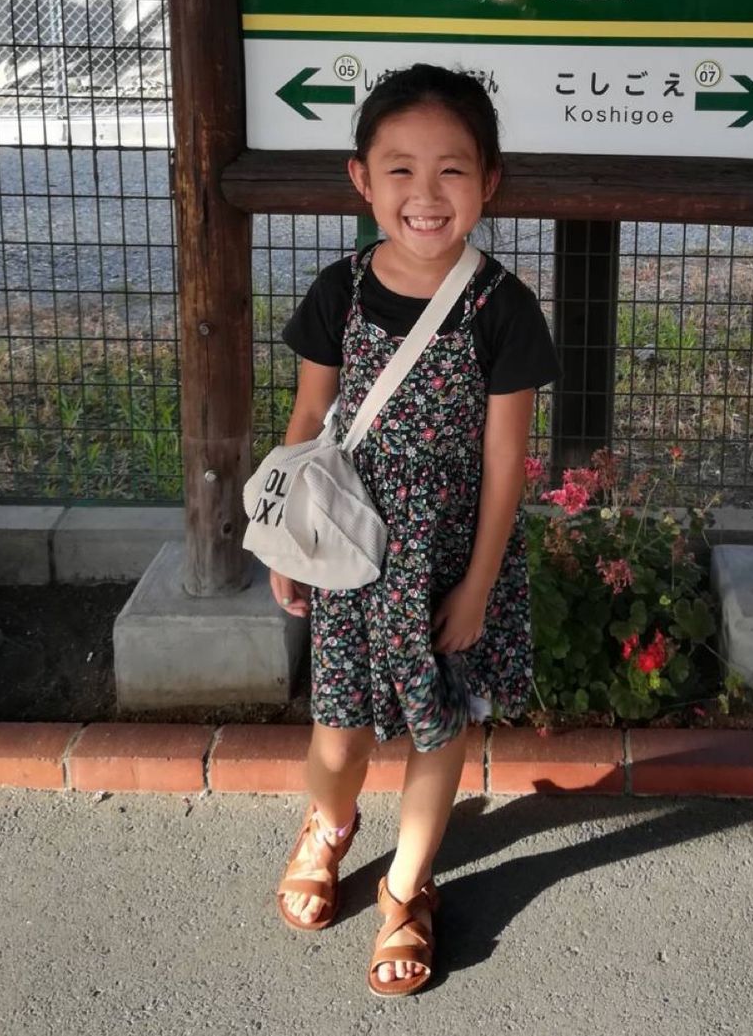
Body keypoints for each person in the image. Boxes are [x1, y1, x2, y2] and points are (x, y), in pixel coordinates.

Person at [270, 63, 558, 998]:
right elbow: (309, 420)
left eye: (451, 172)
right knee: (339, 733)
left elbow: (508, 459)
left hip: (448, 556)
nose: (425, 196)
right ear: (360, 178)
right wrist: (287, 538)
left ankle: (406, 890)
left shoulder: (502, 306)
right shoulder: (337, 291)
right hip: (350, 550)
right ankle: (329, 823)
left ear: (489, 180)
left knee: (442, 727)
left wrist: (476, 585)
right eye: (399, 170)